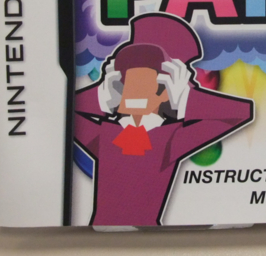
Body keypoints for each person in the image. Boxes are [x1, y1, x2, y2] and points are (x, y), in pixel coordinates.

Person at [73, 13, 254, 226]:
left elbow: (240, 113)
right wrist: (102, 96)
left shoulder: (169, 139)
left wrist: (184, 99)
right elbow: (71, 113)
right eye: (127, 83)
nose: (135, 92)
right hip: (100, 234)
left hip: (147, 236)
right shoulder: (106, 134)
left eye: (146, 84)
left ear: (165, 91)